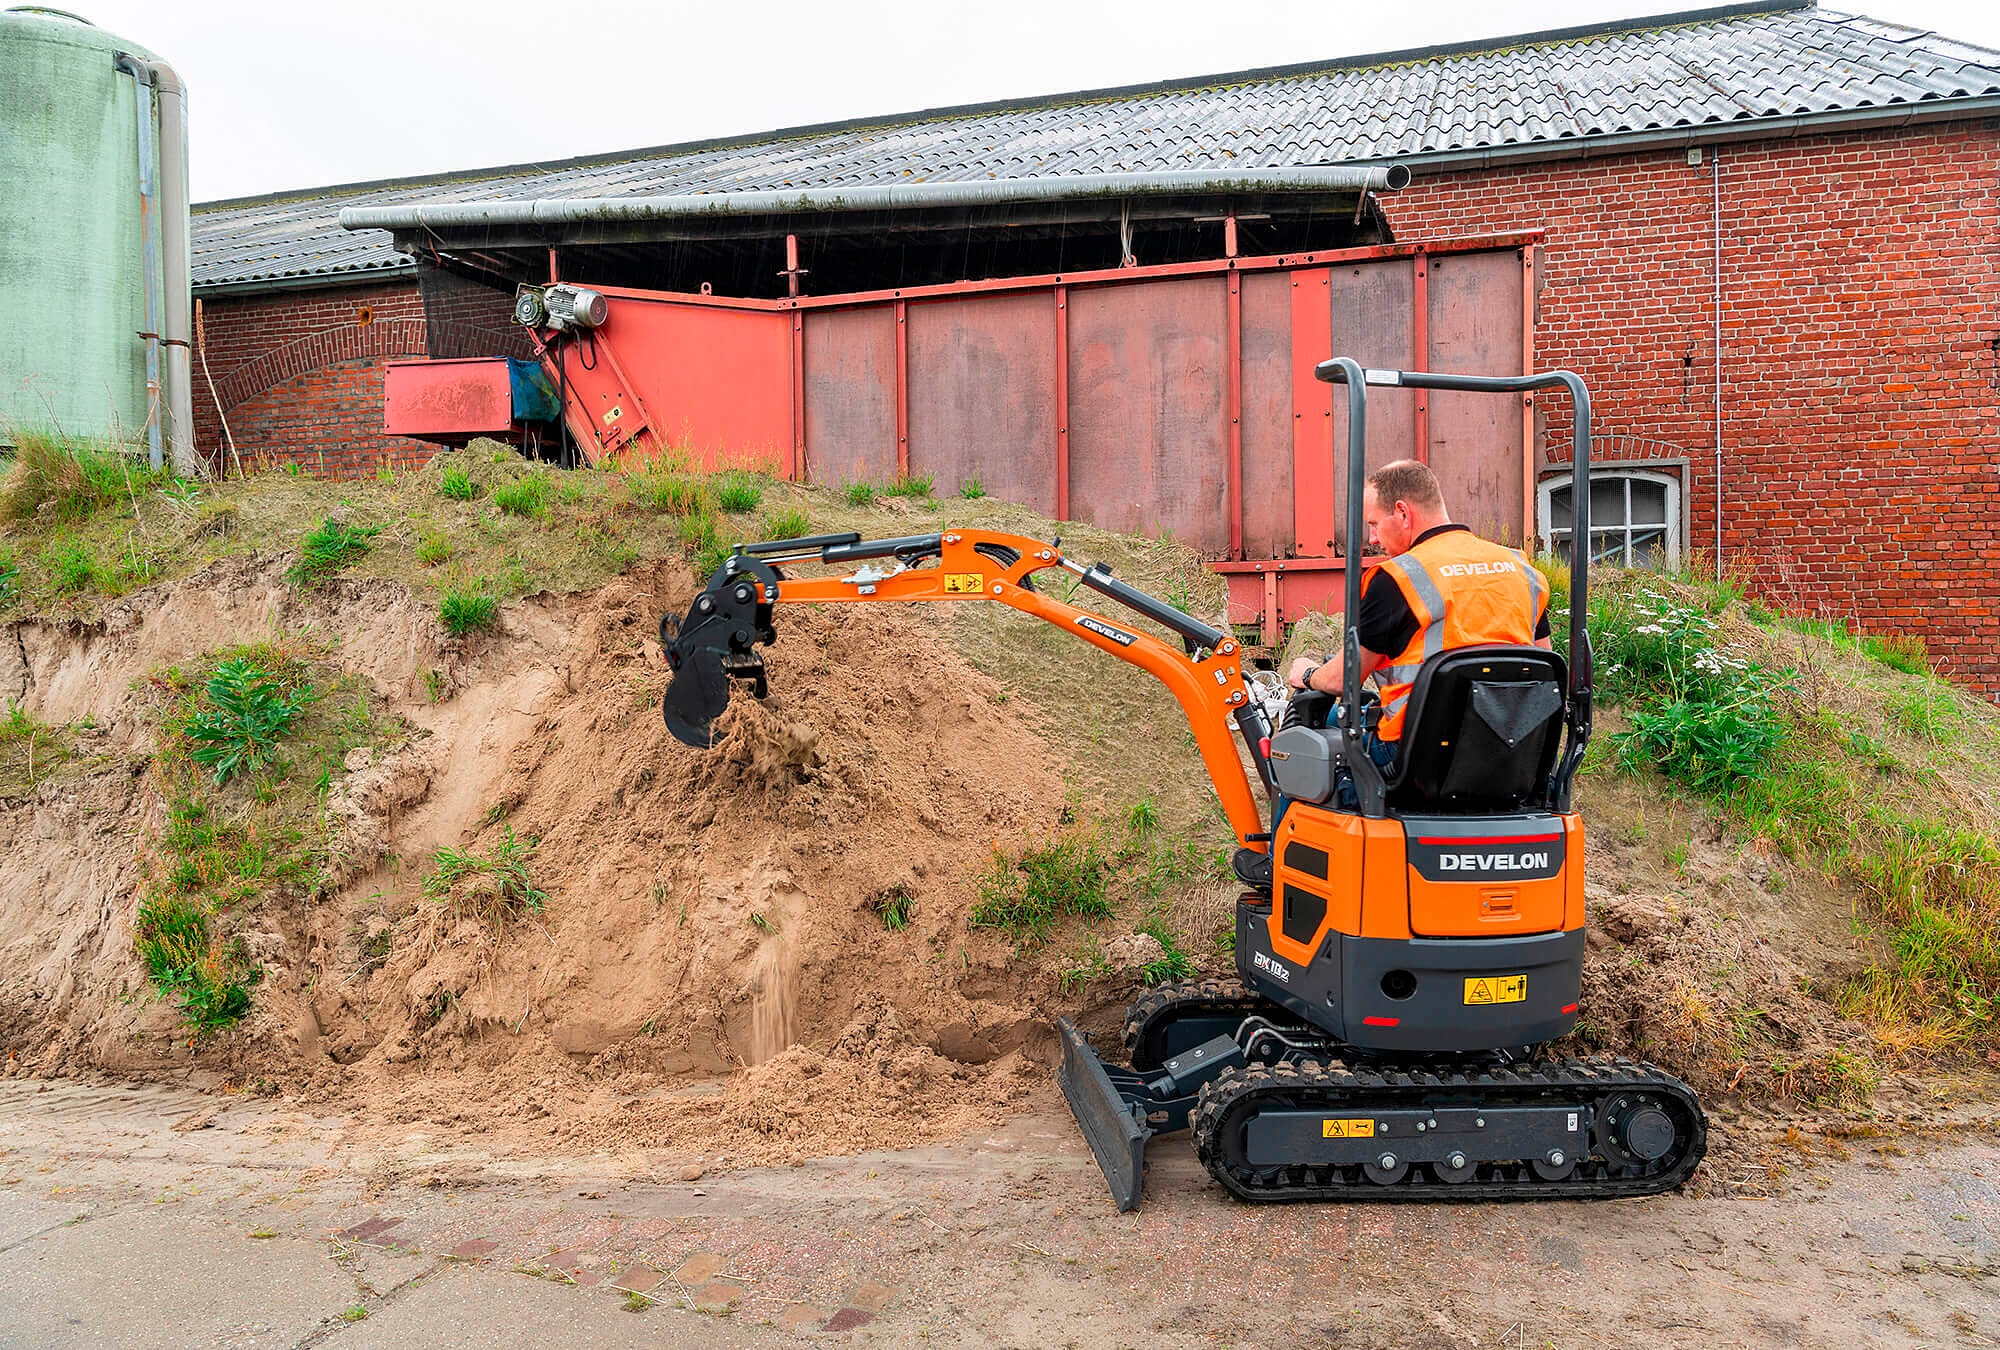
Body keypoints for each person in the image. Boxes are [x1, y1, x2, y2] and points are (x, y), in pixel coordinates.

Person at [1274, 458, 1550, 818]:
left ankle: (1280, 852)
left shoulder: (1400, 578)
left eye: (1374, 524)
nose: (1373, 539)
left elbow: (1343, 679)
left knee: (1298, 754)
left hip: (1417, 762)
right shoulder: (1521, 570)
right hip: (1512, 758)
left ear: (1403, 513)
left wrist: (1308, 674)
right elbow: (1543, 668)